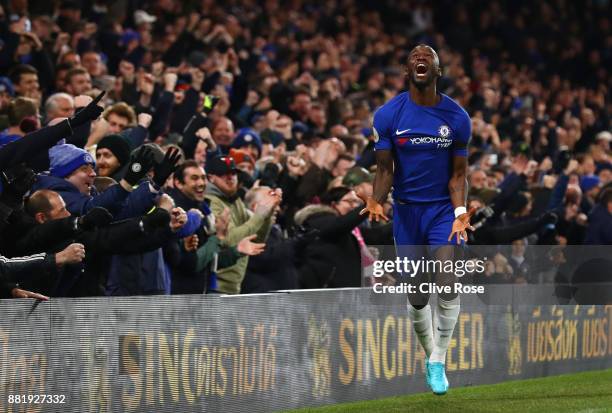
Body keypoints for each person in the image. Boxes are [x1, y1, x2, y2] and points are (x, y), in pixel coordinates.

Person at [360, 44, 473, 395]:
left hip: (441, 209)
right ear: (407, 71)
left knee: (446, 275)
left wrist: (459, 214)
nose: (421, 59)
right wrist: (376, 201)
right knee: (418, 293)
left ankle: (438, 359)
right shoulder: (388, 115)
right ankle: (432, 355)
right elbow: (384, 169)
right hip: (407, 211)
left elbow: (458, 176)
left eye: (429, 57)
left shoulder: (457, 118)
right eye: (415, 58)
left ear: (437, 71)